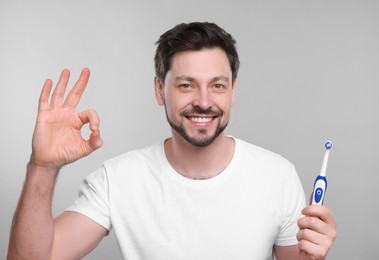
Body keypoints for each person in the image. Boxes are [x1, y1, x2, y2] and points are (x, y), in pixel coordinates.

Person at [8, 22, 336, 260]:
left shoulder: (277, 176)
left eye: (218, 85)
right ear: (158, 91)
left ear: (233, 91)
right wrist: (42, 167)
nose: (204, 101)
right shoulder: (117, 180)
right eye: (186, 85)